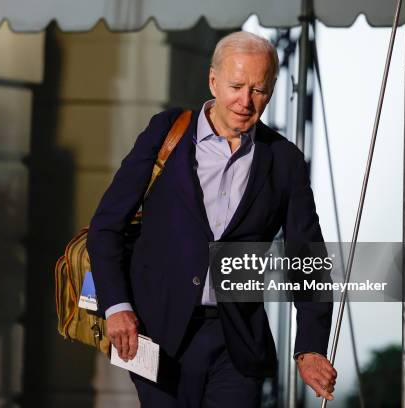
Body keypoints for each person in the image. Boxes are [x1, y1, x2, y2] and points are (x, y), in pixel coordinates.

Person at [86, 32, 337, 407]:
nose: (245, 101)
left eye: (259, 90)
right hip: (159, 335)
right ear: (213, 81)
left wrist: (311, 347)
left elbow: (309, 260)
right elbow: (107, 226)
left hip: (237, 341)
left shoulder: (284, 160)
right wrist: (117, 306)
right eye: (236, 86)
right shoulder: (165, 133)